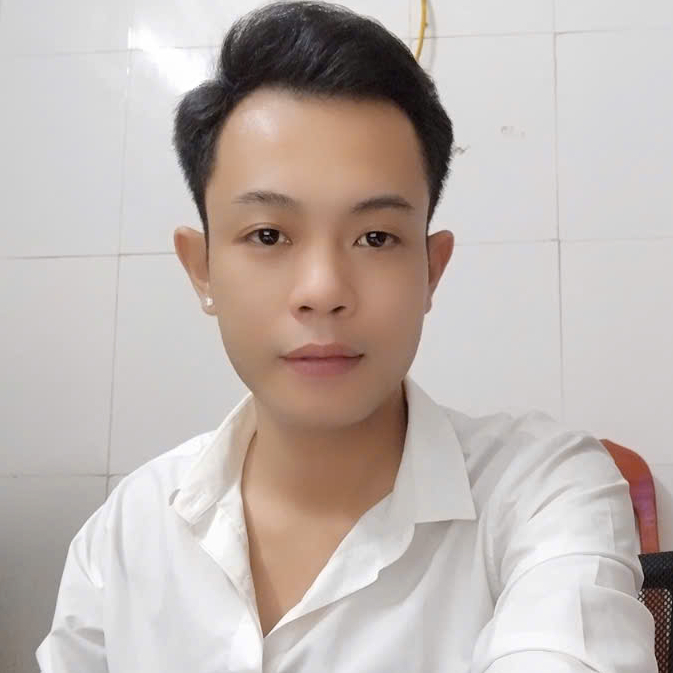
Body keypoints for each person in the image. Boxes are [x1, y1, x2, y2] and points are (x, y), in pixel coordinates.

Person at [35, 2, 657, 671]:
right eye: (268, 235)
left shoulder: (541, 492)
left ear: (431, 270)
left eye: (375, 237)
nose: (323, 289)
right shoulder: (126, 534)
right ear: (202, 269)